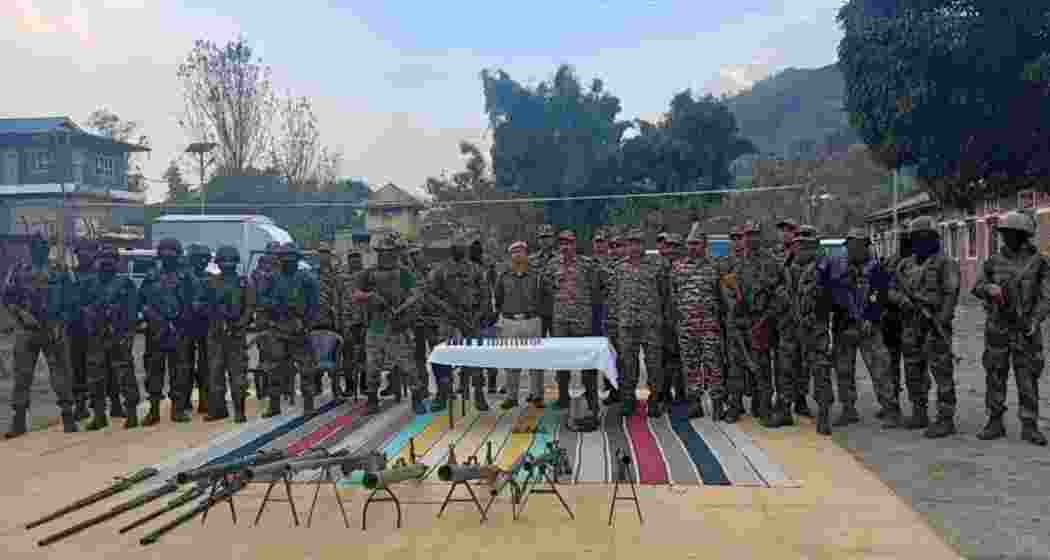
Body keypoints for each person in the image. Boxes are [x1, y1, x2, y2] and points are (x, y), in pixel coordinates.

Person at [972, 211, 1049, 446]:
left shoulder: (1039, 263)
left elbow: (1047, 297)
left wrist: (1035, 320)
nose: (1007, 238)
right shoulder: (993, 261)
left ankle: (1030, 425)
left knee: (1028, 378)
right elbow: (977, 286)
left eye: (1012, 234)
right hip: (998, 329)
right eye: (1004, 234)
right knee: (995, 374)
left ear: (1024, 235)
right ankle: (995, 421)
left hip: (1026, 329)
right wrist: (989, 289)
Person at [888, 216, 961, 438]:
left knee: (941, 372)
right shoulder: (905, 265)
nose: (920, 242)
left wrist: (941, 320)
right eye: (916, 238)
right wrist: (903, 302)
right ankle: (919, 412)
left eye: (925, 237)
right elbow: (889, 289)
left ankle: (945, 418)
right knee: (912, 370)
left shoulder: (945, 263)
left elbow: (951, 293)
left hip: (934, 324)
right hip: (911, 325)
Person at [3, 234, 78, 437]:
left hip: (53, 329)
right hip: (27, 330)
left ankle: (68, 417)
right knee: (22, 376)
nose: (39, 249)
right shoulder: (18, 270)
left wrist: (61, 322)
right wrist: (21, 315)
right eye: (35, 246)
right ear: (30, 248)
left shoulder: (61, 270)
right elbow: (8, 298)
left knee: (60, 373)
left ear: (48, 248)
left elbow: (72, 300)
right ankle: (18, 422)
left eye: (43, 246)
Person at [826, 228, 901, 428]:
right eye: (849, 247)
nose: (851, 251)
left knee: (880, 369)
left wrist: (871, 316)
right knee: (843, 370)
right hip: (844, 326)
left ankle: (890, 409)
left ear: (865, 246)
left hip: (869, 327)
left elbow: (882, 295)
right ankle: (848, 409)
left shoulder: (876, 268)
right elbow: (831, 296)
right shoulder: (839, 268)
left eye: (855, 246)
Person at [352, 234, 422, 415]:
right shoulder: (369, 273)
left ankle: (417, 399)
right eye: (383, 253)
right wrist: (370, 297)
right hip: (376, 326)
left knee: (408, 366)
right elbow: (356, 294)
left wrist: (403, 308)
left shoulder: (403, 272)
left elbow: (415, 293)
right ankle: (372, 401)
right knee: (372, 367)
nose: (387, 256)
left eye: (390, 252)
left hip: (398, 326)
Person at [607, 228, 669, 417]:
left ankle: (655, 401)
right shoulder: (619, 268)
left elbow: (665, 293)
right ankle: (628, 401)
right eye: (631, 243)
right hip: (627, 325)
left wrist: (663, 318)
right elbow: (614, 297)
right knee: (627, 365)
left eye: (639, 242)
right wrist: (614, 322)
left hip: (651, 324)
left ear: (644, 245)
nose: (635, 247)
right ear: (627, 245)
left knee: (654, 365)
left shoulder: (656, 266)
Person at [777, 233, 835, 434]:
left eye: (804, 246)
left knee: (820, 370)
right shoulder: (787, 267)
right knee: (787, 367)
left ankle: (824, 414)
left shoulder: (823, 268)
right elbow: (779, 292)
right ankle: (786, 409)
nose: (799, 250)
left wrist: (816, 314)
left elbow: (829, 296)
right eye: (797, 246)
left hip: (814, 328)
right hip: (791, 327)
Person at [429, 232, 493, 412]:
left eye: (462, 247)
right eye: (456, 247)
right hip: (448, 319)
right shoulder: (440, 270)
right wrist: (444, 307)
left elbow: (486, 295)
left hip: (471, 317)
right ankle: (442, 394)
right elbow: (430, 292)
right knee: (442, 355)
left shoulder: (476, 269)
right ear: (451, 249)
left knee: (476, 357)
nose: (459, 250)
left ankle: (479, 394)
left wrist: (479, 314)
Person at [542, 229, 602, 415]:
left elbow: (596, 289)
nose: (565, 246)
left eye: (569, 243)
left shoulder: (587, 265)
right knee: (562, 360)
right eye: (562, 243)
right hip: (561, 320)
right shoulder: (552, 265)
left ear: (575, 244)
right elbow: (547, 287)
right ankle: (563, 397)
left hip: (582, 320)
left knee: (586, 362)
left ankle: (592, 398)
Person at [82, 244, 142, 430]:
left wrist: (126, 332)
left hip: (119, 336)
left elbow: (134, 310)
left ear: (117, 262)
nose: (107, 262)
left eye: (111, 259)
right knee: (95, 378)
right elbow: (79, 306)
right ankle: (99, 416)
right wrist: (91, 317)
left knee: (125, 376)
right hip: (97, 336)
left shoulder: (125, 283)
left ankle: (131, 413)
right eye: (103, 259)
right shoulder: (90, 283)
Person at [258, 243, 320, 417]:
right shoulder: (272, 278)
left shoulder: (307, 278)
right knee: (274, 369)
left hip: (300, 329)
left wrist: (306, 323)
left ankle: (309, 405)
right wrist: (275, 306)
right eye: (285, 259)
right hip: (278, 328)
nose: (288, 262)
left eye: (291, 259)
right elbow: (261, 300)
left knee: (306, 370)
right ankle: (274, 405)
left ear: (297, 260)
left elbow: (315, 304)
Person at [673, 223, 725, 419]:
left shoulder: (715, 266)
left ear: (705, 245)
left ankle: (718, 402)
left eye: (696, 243)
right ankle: (694, 403)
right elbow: (674, 295)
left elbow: (722, 296)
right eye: (690, 244)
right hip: (686, 326)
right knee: (690, 365)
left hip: (709, 326)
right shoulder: (677, 267)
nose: (692, 247)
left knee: (714, 364)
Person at [140, 239, 194, 425]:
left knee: (179, 371)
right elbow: (142, 301)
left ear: (178, 254)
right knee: (154, 371)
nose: (168, 255)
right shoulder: (151, 275)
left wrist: (182, 319)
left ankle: (177, 410)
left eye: (171, 251)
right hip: (156, 331)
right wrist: (153, 317)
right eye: (164, 251)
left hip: (178, 330)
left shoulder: (186, 276)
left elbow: (195, 300)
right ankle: (153, 410)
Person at [206, 246, 254, 423]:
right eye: (223, 262)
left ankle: (239, 410)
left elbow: (249, 308)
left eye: (230, 262)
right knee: (215, 373)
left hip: (235, 333)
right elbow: (206, 305)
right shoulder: (212, 282)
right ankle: (219, 409)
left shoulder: (243, 282)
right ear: (218, 263)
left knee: (238, 375)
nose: (227, 266)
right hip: (216, 333)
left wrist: (240, 324)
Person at [496, 241, 545, 409]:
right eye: (514, 252)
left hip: (532, 320)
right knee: (511, 360)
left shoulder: (537, 275)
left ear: (526, 254)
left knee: (536, 361)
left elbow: (543, 297)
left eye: (521, 251)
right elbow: (498, 298)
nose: (517, 255)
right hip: (510, 322)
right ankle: (512, 396)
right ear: (510, 256)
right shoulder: (503, 276)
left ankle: (537, 395)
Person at [69, 239, 98, 420]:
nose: (85, 255)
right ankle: (80, 405)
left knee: (98, 368)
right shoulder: (69, 276)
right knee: (77, 367)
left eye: (88, 252)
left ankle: (100, 404)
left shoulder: (101, 276)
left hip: (96, 328)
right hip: (75, 329)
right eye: (81, 252)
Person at [183, 243, 213, 414]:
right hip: (186, 327)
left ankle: (204, 400)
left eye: (204, 258)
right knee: (184, 366)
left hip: (204, 327)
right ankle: (184, 400)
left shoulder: (210, 279)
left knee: (205, 366)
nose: (201, 261)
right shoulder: (184, 278)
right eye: (197, 258)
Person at [314, 242, 344, 397]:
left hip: (332, 321)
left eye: (325, 253)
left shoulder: (335, 275)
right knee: (315, 353)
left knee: (333, 355)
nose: (323, 256)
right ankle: (316, 384)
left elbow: (339, 298)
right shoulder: (313, 274)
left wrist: (339, 321)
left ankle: (336, 387)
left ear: (329, 255)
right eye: (321, 253)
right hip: (315, 321)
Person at [339, 250, 367, 398]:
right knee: (348, 357)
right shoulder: (342, 278)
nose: (354, 261)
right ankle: (350, 386)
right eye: (351, 258)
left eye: (357, 257)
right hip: (347, 322)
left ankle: (364, 385)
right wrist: (341, 322)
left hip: (364, 322)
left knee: (365, 355)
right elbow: (338, 300)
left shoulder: (367, 276)